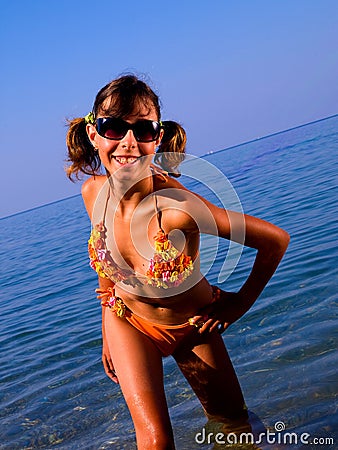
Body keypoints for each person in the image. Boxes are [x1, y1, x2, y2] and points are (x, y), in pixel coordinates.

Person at [66, 74, 289, 449]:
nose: (128, 143)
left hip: (191, 324)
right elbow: (108, 266)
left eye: (143, 130)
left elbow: (274, 241)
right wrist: (108, 328)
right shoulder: (93, 193)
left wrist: (238, 304)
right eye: (113, 127)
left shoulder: (177, 209)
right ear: (94, 135)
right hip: (128, 321)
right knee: (154, 441)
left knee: (233, 425)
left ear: (158, 138)